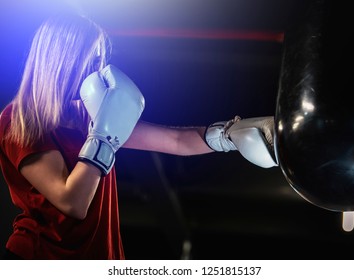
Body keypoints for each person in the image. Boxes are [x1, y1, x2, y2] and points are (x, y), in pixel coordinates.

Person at [0, 13, 277, 260]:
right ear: (63, 58)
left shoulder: (88, 113)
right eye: (91, 58)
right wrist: (104, 137)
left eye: (100, 59)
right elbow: (73, 201)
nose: (98, 68)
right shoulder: (19, 118)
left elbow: (175, 141)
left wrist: (229, 135)